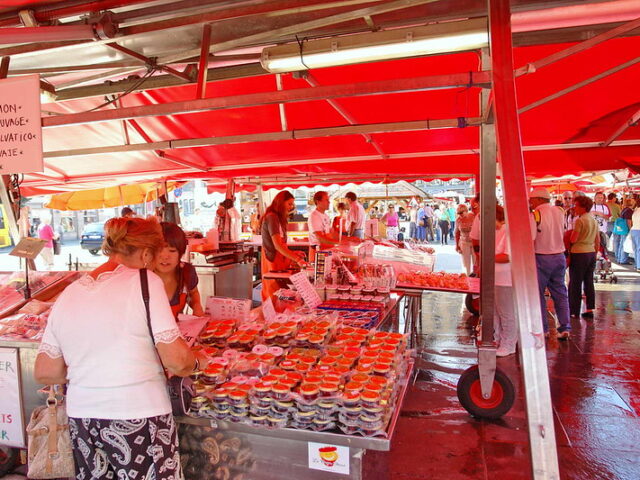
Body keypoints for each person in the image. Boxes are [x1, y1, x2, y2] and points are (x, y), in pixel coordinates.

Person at [34, 216, 197, 480]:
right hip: (139, 416)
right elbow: (177, 360)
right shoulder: (145, 282)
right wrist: (196, 363)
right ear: (146, 253)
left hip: (83, 420)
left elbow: (45, 371)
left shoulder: (71, 292)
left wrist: (91, 367)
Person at [530, 188, 571, 339]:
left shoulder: (536, 214)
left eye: (532, 200)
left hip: (542, 257)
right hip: (559, 256)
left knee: (538, 294)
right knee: (560, 293)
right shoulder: (559, 211)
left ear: (539, 199)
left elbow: (531, 236)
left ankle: (543, 329)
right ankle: (565, 327)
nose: (531, 203)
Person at [261, 191, 309, 301]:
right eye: (289, 204)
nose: (291, 207)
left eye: (292, 204)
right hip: (272, 262)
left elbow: (281, 245)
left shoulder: (277, 218)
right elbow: (277, 245)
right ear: (280, 203)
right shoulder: (272, 217)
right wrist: (297, 259)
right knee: (274, 293)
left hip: (280, 260)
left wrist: (293, 254)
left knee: (281, 294)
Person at [154, 222, 204, 318]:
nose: (165, 256)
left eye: (172, 251)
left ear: (181, 253)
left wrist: (196, 305)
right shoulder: (142, 278)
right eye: (159, 250)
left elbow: (193, 293)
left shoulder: (186, 272)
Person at [568, 195, 599, 319]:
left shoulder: (580, 221)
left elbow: (574, 239)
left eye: (576, 205)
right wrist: (595, 254)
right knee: (589, 281)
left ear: (583, 207)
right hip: (591, 252)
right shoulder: (593, 220)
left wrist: (569, 239)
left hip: (579, 253)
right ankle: (590, 308)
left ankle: (574, 310)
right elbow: (597, 240)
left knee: (575, 283)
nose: (574, 208)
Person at [493, 205, 517, 357]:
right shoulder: (500, 230)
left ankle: (508, 344)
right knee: (497, 312)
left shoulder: (507, 230)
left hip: (505, 278)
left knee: (506, 313)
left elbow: (507, 256)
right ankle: (499, 339)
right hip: (497, 277)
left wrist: (488, 257)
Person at [455, 204, 475, 275]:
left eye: (461, 212)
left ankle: (476, 278)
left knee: (476, 263)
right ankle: (467, 278)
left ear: (466, 210)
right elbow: (457, 233)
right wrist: (457, 245)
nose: (460, 215)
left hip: (474, 242)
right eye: (458, 213)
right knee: (466, 264)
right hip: (464, 242)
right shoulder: (458, 220)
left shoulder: (473, 216)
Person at [613, 198, 634, 264]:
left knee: (622, 244)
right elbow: (628, 221)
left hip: (621, 229)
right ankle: (623, 260)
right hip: (625, 229)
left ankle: (619, 259)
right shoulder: (629, 210)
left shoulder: (624, 209)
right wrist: (630, 229)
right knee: (625, 244)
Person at [630, 202, 640, 272]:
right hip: (639, 230)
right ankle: (639, 266)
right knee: (638, 249)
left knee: (636, 249)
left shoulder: (636, 210)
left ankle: (637, 265)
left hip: (634, 230)